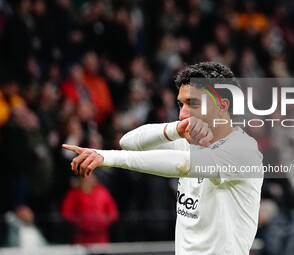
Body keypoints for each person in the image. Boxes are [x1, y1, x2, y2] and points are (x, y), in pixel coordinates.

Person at [63, 62, 263, 254]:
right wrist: (174, 129)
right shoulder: (187, 140)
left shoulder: (243, 152)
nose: (182, 113)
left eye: (192, 103)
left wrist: (107, 157)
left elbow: (181, 165)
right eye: (180, 104)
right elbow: (129, 141)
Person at [61, 173, 119, 244]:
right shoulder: (74, 193)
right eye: (85, 180)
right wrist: (81, 222)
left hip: (101, 236)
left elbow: (113, 213)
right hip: (81, 237)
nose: (87, 181)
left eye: (89, 179)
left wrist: (103, 221)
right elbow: (66, 213)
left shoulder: (102, 192)